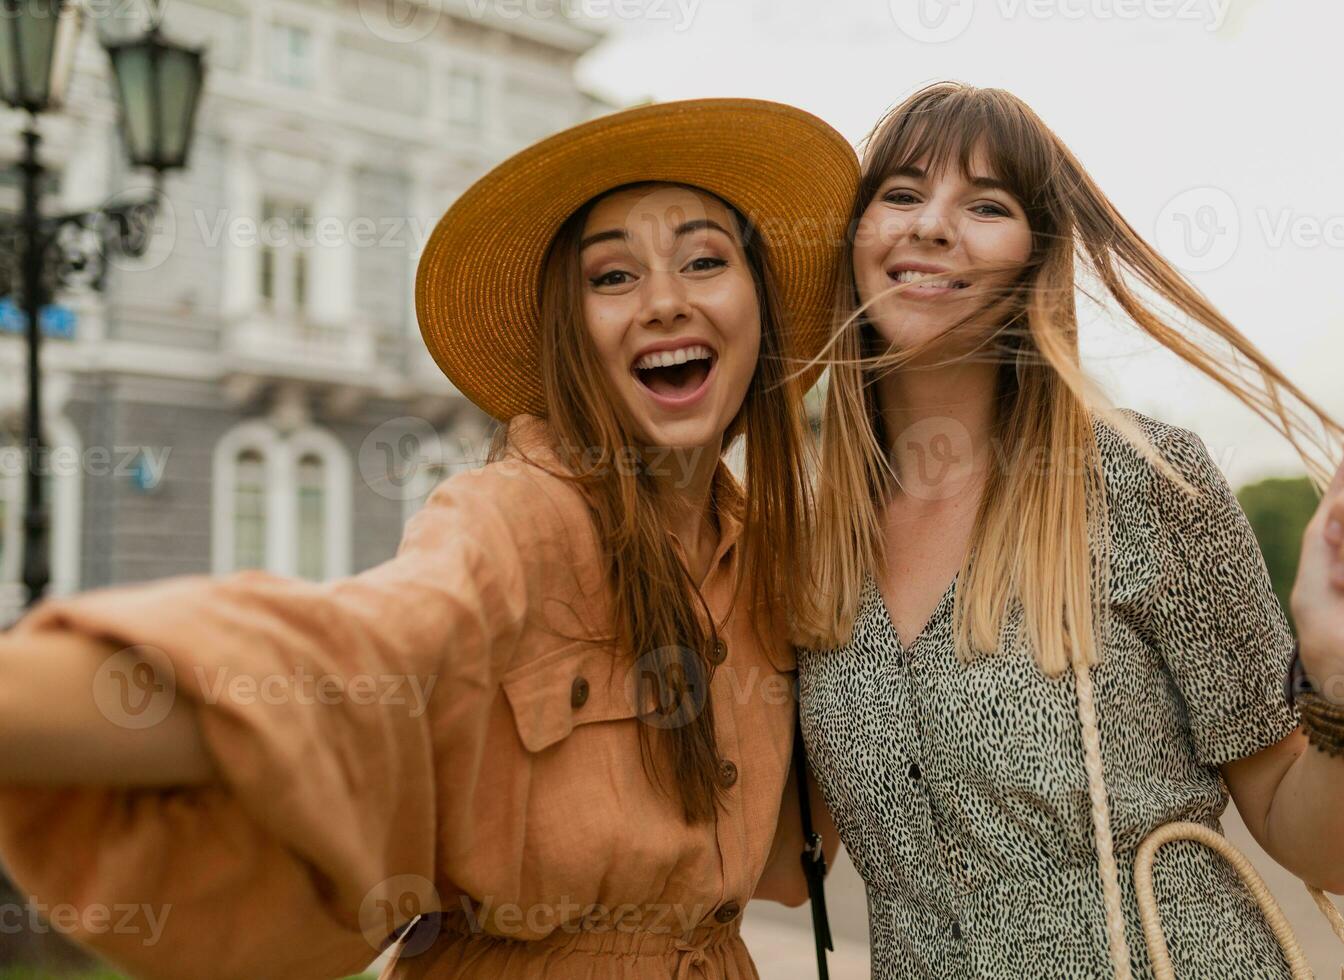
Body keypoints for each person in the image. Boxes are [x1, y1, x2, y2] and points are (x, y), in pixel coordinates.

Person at [0, 98, 854, 980]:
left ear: (762, 307)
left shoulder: (772, 560)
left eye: (704, 260)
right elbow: (358, 653)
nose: (664, 303)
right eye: (611, 277)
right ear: (572, 331)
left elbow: (808, 846)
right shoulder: (514, 515)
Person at [794, 81, 1344, 979]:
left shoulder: (1146, 483)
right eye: (903, 194)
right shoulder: (803, 542)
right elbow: (774, 870)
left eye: (985, 204)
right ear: (857, 239)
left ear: (1037, 259)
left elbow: (1327, 851)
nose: (932, 225)